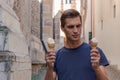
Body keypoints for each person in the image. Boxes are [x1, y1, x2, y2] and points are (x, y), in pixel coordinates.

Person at [45, 9, 109, 80]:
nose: (75, 31)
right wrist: (50, 68)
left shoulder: (95, 53)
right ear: (62, 28)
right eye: (70, 27)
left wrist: (97, 68)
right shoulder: (56, 56)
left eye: (78, 26)